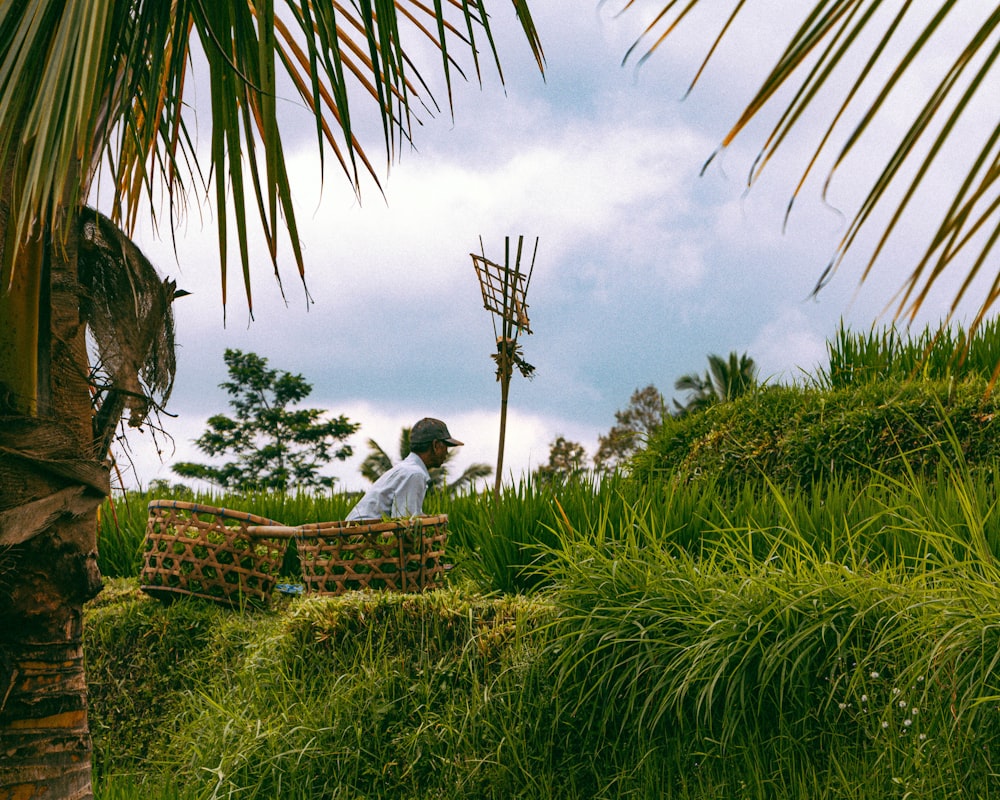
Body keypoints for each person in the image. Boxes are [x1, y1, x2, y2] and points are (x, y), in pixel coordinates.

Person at [345, 417, 463, 520]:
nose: (446, 453)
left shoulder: (407, 469)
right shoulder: (414, 474)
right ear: (436, 445)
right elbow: (404, 523)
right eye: (445, 447)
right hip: (361, 538)